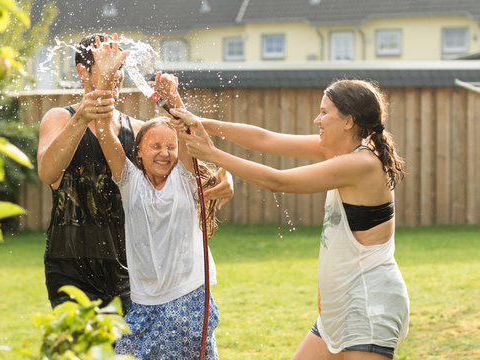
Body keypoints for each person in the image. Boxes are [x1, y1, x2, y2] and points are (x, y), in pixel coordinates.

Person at [170, 79, 410, 360]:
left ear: (348, 121)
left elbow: (277, 181)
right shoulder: (342, 152)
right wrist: (200, 123)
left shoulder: (362, 164)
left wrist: (212, 154)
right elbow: (265, 140)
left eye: (324, 112)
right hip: (340, 308)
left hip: (369, 305)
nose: (316, 119)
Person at [36, 33, 233, 313]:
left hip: (130, 270)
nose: (115, 75)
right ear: (82, 71)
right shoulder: (61, 119)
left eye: (118, 67)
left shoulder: (140, 132)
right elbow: (47, 172)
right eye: (106, 66)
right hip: (69, 269)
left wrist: (224, 178)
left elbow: (190, 174)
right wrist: (81, 118)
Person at [88, 37, 220, 359]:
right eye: (155, 146)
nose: (164, 153)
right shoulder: (129, 182)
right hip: (144, 302)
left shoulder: (184, 179)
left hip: (187, 298)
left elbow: (187, 133)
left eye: (170, 146)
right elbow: (103, 127)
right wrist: (105, 78)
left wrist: (173, 99)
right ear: (139, 152)